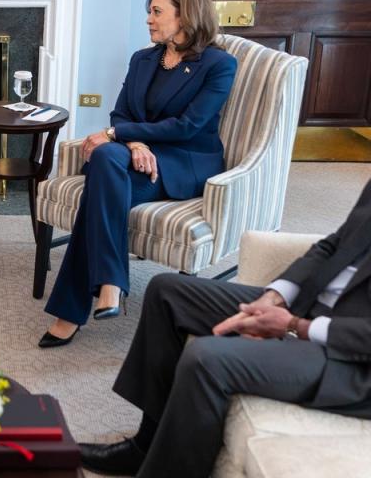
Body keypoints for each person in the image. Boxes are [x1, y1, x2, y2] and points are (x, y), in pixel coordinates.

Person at [79, 177, 371, 477]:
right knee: (167, 292)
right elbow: (334, 243)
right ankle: (145, 446)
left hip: (350, 358)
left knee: (207, 359)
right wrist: (275, 297)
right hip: (313, 304)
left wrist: (298, 326)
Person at [39, 0, 237, 347]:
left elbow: (188, 126)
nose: (148, 19)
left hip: (182, 162)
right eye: (150, 11)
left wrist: (119, 134)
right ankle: (110, 283)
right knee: (105, 158)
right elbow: (121, 112)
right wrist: (132, 141)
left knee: (101, 173)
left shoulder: (218, 64)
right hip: (135, 155)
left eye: (157, 12)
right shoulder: (143, 59)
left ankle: (72, 310)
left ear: (186, 15)